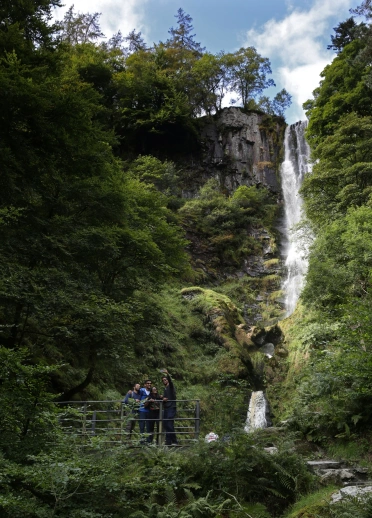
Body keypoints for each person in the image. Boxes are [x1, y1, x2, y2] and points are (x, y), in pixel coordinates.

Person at [161, 369, 178, 446]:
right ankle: (168, 441)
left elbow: (171, 382)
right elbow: (166, 397)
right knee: (166, 424)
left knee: (169, 424)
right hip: (166, 407)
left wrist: (167, 374)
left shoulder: (171, 387)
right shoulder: (165, 389)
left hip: (171, 407)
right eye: (163, 380)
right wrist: (163, 398)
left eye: (165, 379)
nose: (164, 381)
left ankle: (174, 441)